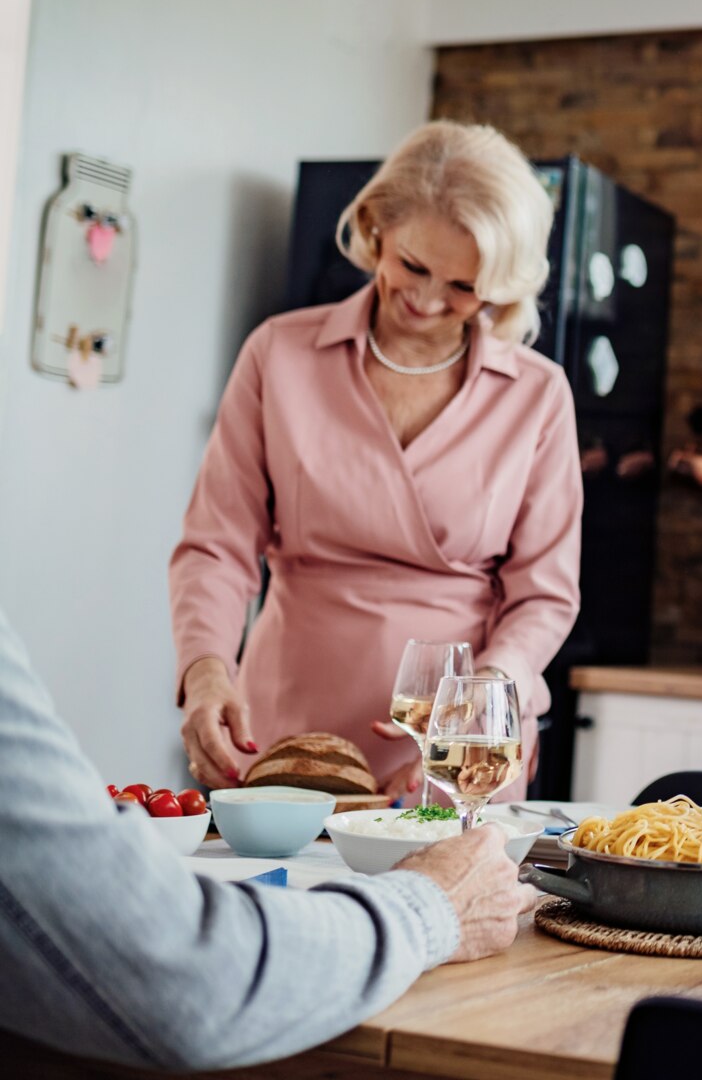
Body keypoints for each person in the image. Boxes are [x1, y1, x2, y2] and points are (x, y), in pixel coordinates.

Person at [170, 121, 583, 803]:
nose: (428, 301)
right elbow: (215, 546)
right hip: (287, 727)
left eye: (464, 286)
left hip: (461, 738)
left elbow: (543, 594)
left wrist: (481, 702)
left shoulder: (538, 395)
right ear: (375, 228)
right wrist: (207, 670)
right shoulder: (279, 355)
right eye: (415, 266)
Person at [0, 607, 539, 1070]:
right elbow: (178, 974)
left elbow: (547, 595)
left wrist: (475, 695)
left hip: (464, 713)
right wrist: (435, 906)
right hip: (287, 704)